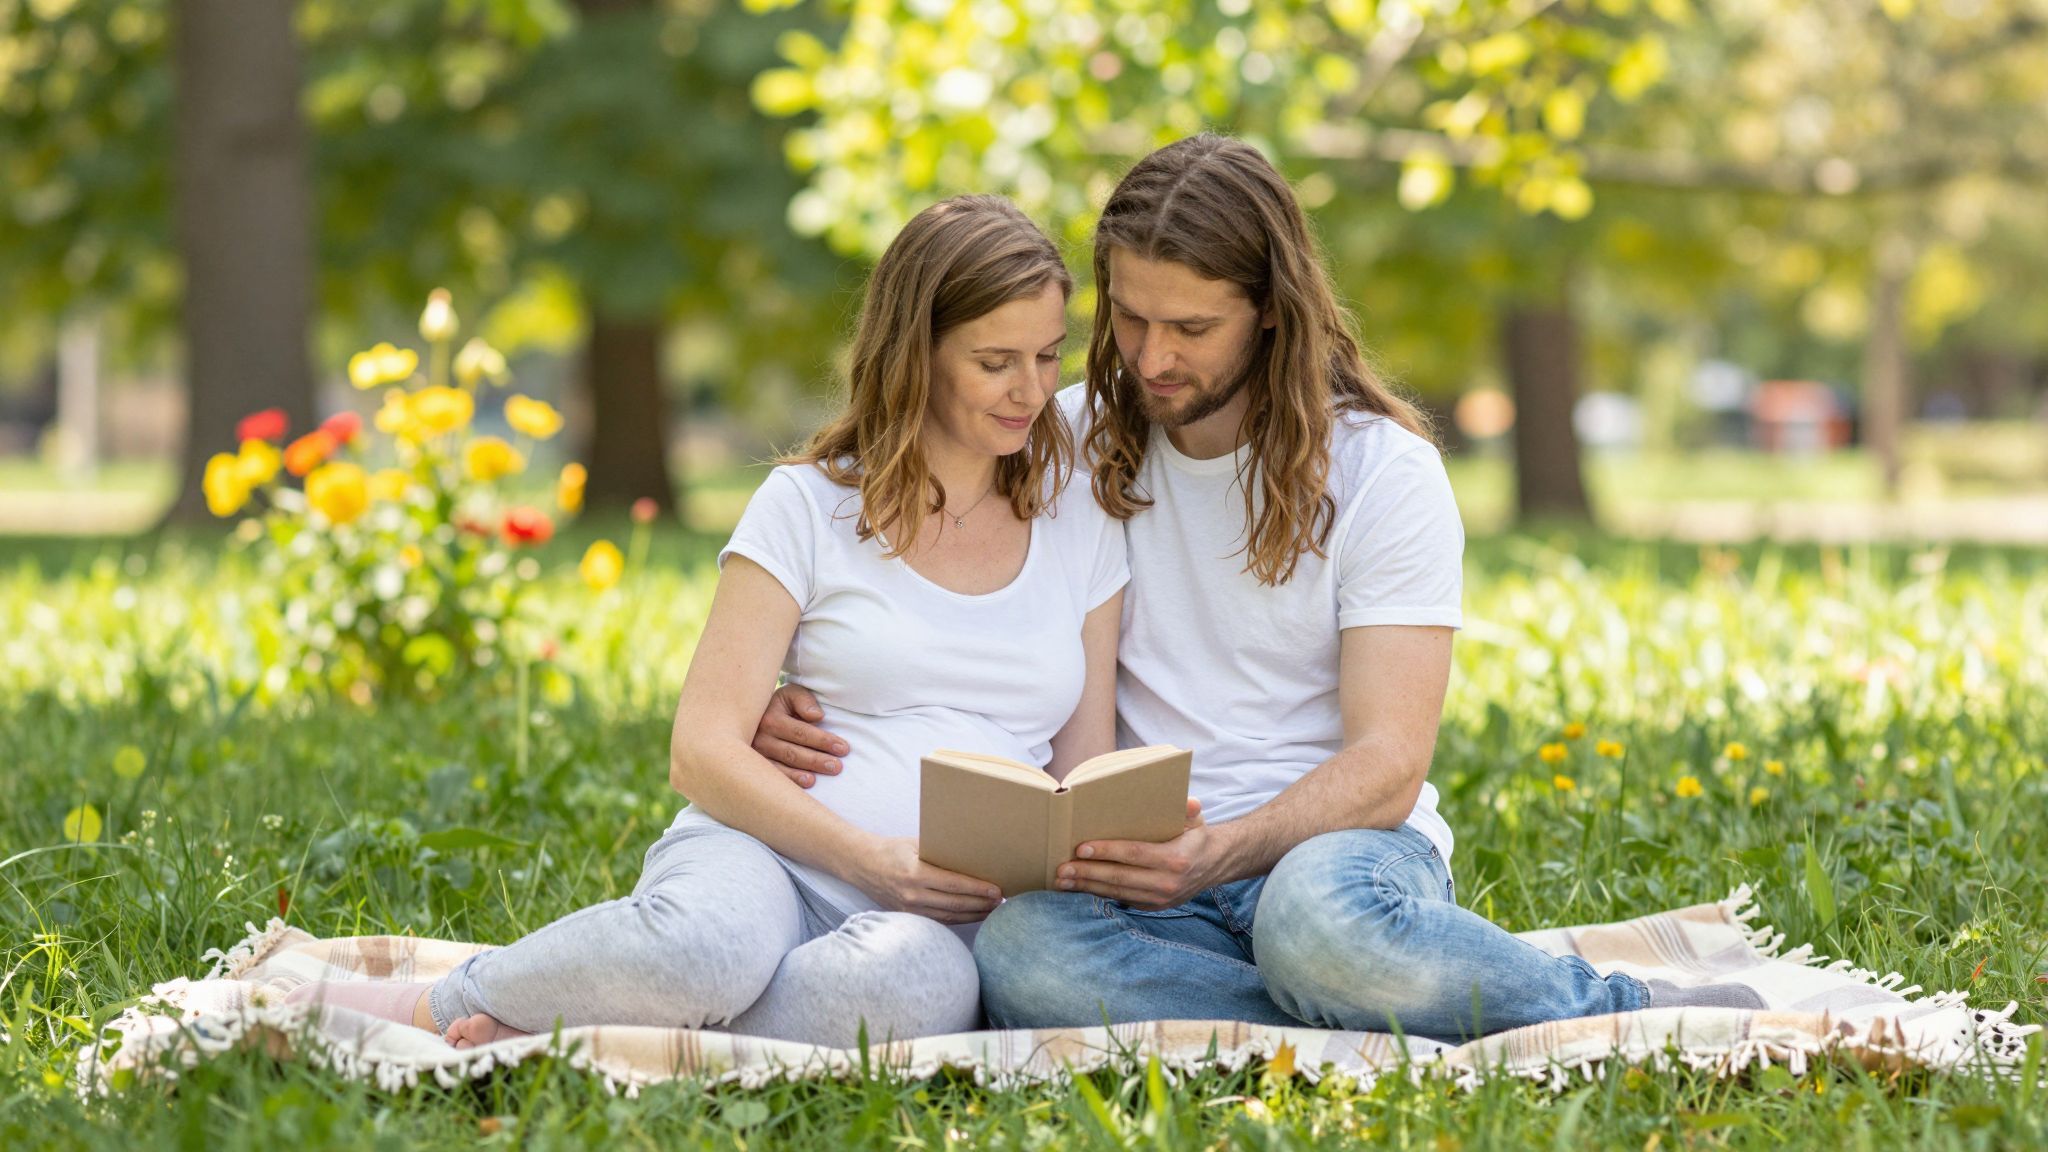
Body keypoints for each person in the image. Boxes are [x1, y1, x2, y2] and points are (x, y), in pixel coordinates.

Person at [755, 135, 1763, 1042]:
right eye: (1130, 318)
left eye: (1191, 327)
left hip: (1335, 859)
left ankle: (1618, 1011)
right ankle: (1347, 1016)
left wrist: (1223, 851)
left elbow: (1388, 764)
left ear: (1272, 312)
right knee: (1022, 952)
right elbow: (916, 574)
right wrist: (790, 695)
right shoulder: (1061, 441)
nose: (1151, 357)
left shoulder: (1383, 473)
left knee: (1311, 924)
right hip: (1138, 878)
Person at [285, 194, 1129, 1048]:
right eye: (995, 362)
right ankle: (441, 1003)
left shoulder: (1079, 521)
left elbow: (1082, 776)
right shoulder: (809, 506)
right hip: (767, 857)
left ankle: (570, 1022)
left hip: (942, 921)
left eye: (1046, 356)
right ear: (917, 355)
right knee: (705, 949)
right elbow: (701, 749)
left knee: (916, 988)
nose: (1032, 391)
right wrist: (865, 859)